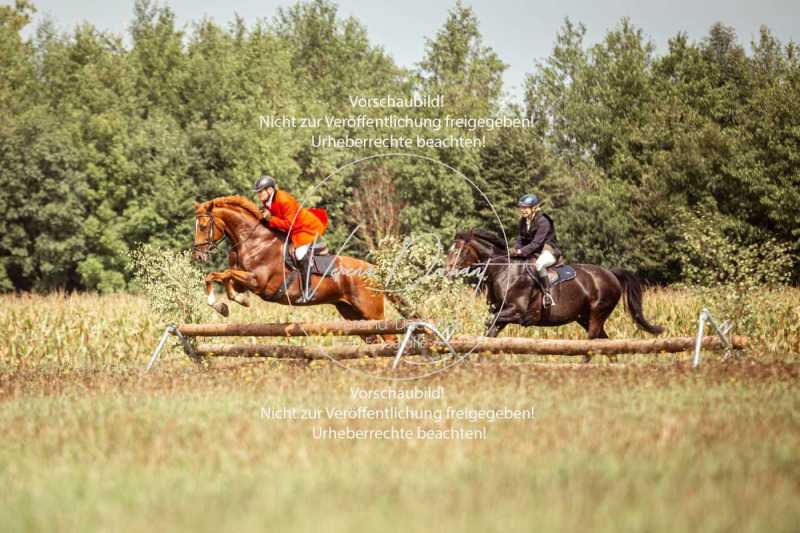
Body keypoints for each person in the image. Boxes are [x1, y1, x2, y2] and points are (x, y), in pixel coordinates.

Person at [253, 175, 329, 303]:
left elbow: (289, 224)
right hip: (293, 229)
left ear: (270, 190)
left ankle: (308, 291)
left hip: (306, 228)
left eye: (261, 191)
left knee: (299, 254)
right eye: (258, 192)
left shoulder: (284, 200)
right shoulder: (267, 200)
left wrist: (270, 219)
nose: (259, 194)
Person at [510, 193, 561, 307]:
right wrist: (515, 248)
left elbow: (536, 243)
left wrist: (521, 252)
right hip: (534, 250)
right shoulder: (523, 221)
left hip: (549, 250)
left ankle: (547, 294)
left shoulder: (543, 222)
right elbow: (520, 239)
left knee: (539, 264)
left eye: (525, 208)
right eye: (521, 208)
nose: (522, 210)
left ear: (534, 208)